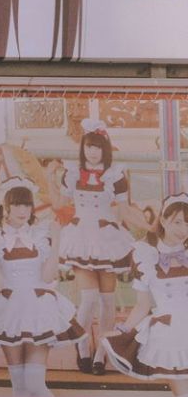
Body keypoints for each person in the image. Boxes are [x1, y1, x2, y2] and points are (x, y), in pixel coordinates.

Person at [0, 178, 79, 397]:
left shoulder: (40, 234)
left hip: (38, 308)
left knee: (35, 384)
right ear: (4, 207)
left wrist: (57, 240)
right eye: (16, 204)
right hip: (8, 310)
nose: (22, 210)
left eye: (26, 204)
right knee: (19, 387)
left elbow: (48, 275)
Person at [59, 120, 136, 373]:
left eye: (98, 147)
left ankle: (101, 355)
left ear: (105, 149)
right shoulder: (70, 173)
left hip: (107, 238)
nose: (93, 152)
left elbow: (125, 210)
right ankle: (82, 347)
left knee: (107, 300)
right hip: (80, 237)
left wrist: (150, 224)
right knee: (88, 299)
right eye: (89, 147)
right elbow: (60, 204)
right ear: (83, 148)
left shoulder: (116, 175)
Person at [105, 194, 188, 397]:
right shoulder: (145, 254)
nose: (183, 230)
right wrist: (124, 330)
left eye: (187, 224)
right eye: (177, 222)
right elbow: (142, 305)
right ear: (163, 220)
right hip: (170, 332)